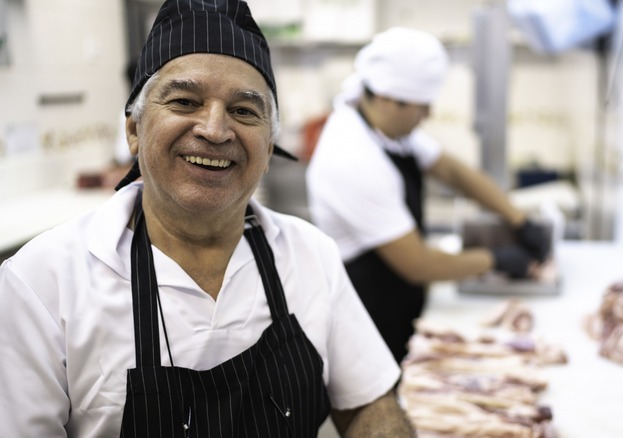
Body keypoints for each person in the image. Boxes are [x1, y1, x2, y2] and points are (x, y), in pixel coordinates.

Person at [0, 1, 414, 436]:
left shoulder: (311, 255)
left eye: (244, 111)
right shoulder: (42, 283)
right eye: (184, 101)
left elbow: (370, 404)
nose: (215, 130)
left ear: (269, 149)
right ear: (134, 130)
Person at [305, 27, 552, 364]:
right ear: (391, 100)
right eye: (423, 107)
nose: (429, 116)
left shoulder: (385, 126)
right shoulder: (351, 157)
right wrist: (496, 259)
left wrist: (518, 219)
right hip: (368, 313)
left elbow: (452, 171)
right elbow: (417, 264)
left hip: (399, 297)